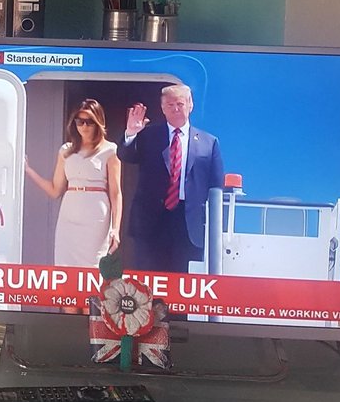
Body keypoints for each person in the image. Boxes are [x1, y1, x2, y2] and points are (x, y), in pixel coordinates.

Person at [117, 83, 224, 274]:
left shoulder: (209, 143)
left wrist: (215, 227)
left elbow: (216, 186)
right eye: (170, 105)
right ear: (162, 108)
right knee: (149, 281)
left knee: (185, 281)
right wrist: (131, 133)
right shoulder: (148, 135)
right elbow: (126, 156)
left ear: (190, 105)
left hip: (189, 223)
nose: (175, 109)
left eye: (180, 104)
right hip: (152, 223)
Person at [24, 99, 122, 267]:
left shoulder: (110, 150)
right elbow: (55, 190)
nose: (84, 126)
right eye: (80, 121)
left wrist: (116, 228)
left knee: (93, 264)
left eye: (89, 122)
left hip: (96, 214)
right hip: (69, 213)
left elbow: (115, 193)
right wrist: (29, 171)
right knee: (65, 264)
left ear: (98, 123)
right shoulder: (66, 150)